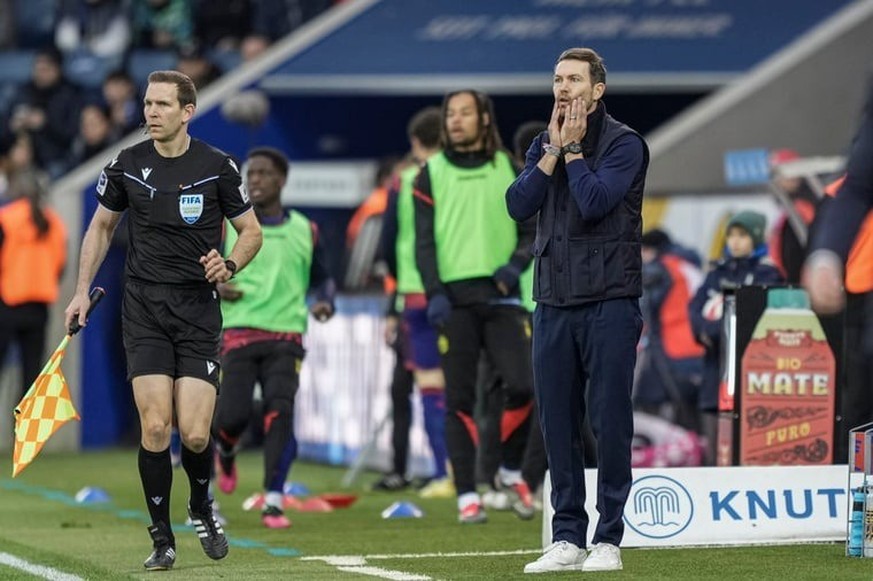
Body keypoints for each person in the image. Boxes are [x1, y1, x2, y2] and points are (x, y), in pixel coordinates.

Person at [63, 70, 262, 571]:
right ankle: (162, 537)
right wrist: (81, 291)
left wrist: (230, 263)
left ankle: (200, 504)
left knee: (194, 435)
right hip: (144, 310)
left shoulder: (217, 166)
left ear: (187, 111)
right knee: (156, 427)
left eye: (162, 105)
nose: (151, 112)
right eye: (148, 104)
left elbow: (251, 232)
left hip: (197, 311)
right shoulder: (126, 164)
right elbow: (101, 226)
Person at [506, 47, 648, 573]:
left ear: (597, 90)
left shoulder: (625, 144)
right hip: (552, 301)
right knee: (557, 421)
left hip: (611, 300)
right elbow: (518, 205)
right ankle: (566, 536)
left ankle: (608, 537)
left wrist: (570, 152)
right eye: (558, 79)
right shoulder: (543, 143)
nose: (563, 88)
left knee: (609, 421)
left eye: (574, 80)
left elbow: (593, 202)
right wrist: (548, 153)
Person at [414, 89, 536, 524]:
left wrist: (515, 264)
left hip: (502, 297)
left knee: (524, 386)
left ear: (485, 118)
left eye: (466, 112)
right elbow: (423, 243)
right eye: (451, 113)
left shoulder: (508, 166)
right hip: (455, 304)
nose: (456, 120)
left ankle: (505, 470)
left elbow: (531, 231)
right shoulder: (430, 174)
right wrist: (435, 294)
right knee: (460, 399)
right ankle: (467, 492)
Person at [213, 146, 335, 528]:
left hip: (287, 335)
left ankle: (274, 500)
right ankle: (227, 448)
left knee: (280, 412)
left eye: (264, 174)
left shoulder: (306, 229)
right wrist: (216, 286)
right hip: (239, 333)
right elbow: (201, 269)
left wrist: (325, 302)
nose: (255, 180)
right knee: (231, 417)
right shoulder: (227, 226)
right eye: (251, 174)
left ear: (281, 180)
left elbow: (323, 279)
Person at [379, 106, 453, 498]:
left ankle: (446, 473)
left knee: (431, 385)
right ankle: (489, 473)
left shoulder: (404, 181)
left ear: (415, 142)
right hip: (463, 290)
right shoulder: (460, 176)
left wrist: (401, 284)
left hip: (418, 293)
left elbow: (387, 242)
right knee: (471, 384)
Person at [688, 211, 783, 464]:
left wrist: (717, 330)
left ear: (755, 237)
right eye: (731, 235)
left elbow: (753, 318)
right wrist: (709, 331)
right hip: (714, 374)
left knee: (749, 448)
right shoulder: (717, 271)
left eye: (742, 235)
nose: (735, 241)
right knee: (715, 449)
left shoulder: (768, 275)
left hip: (750, 376)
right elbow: (695, 310)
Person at [0, 170, 67, 400]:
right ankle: (23, 436)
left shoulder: (6, 218)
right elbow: (60, 265)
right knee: (30, 382)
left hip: (7, 305)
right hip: (38, 309)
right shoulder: (54, 223)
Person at [636, 228, 704, 433]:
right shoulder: (687, 264)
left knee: (652, 402)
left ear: (649, 250)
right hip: (699, 348)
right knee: (695, 418)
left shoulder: (659, 269)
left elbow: (643, 309)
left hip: (673, 351)